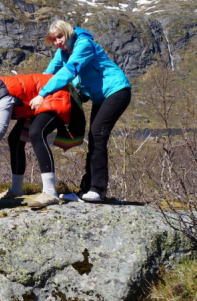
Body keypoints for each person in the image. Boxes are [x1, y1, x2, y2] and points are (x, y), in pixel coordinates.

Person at [30, 20, 131, 202]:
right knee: (94, 138)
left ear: (68, 33)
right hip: (101, 97)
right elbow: (49, 72)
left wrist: (43, 93)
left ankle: (98, 190)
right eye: (53, 39)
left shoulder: (84, 44)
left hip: (117, 91)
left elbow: (70, 70)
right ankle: (85, 192)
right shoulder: (63, 52)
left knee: (98, 136)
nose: (57, 42)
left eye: (59, 36)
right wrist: (34, 90)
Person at [0, 71, 85, 209]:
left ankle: (50, 192)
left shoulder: (3, 96)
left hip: (57, 93)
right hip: (36, 102)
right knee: (14, 139)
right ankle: (16, 189)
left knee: (36, 133)